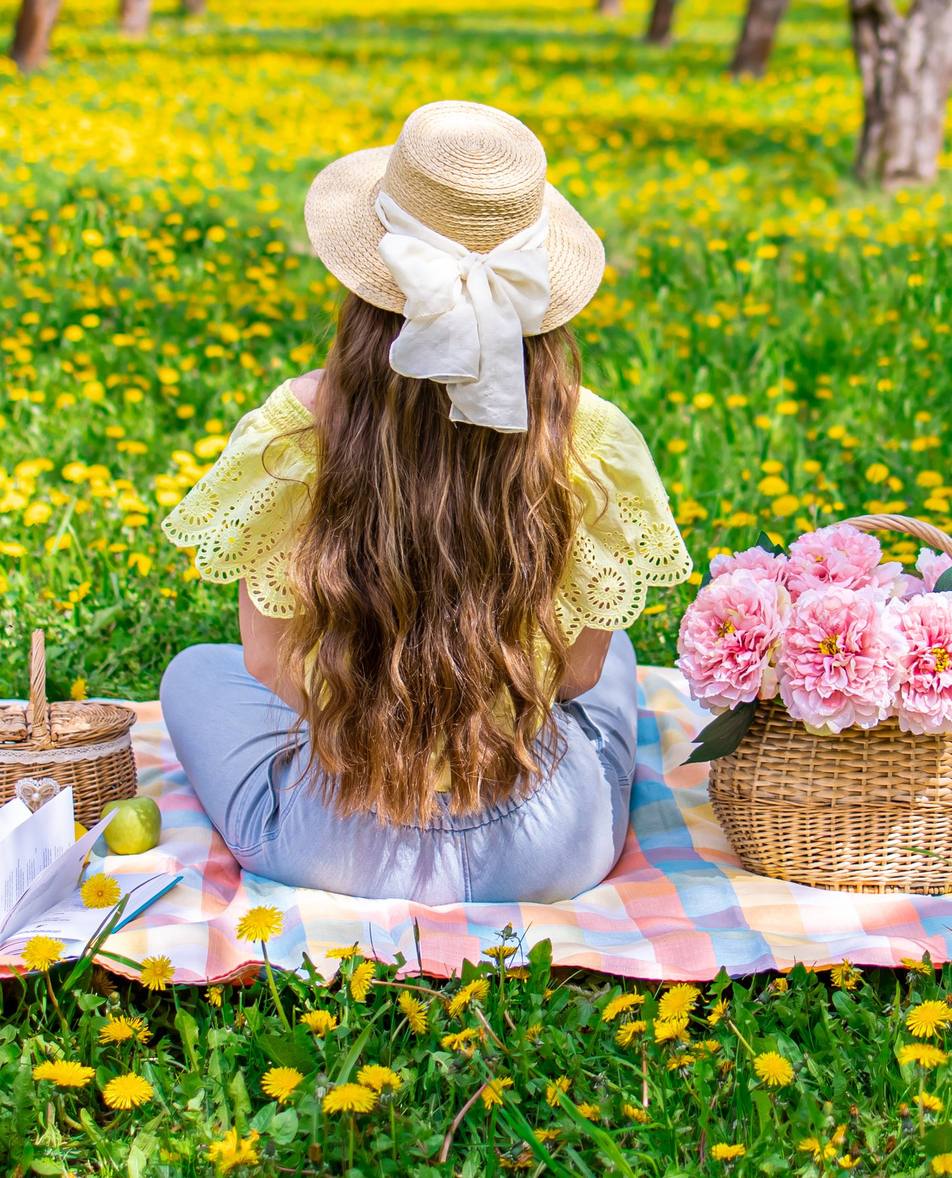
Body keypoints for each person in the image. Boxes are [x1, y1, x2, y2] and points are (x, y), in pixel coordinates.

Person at [159, 101, 690, 903]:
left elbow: (268, 661)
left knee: (195, 672)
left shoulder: (297, 430)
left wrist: (382, 737)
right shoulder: (597, 440)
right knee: (615, 670)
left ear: (370, 281)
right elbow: (575, 676)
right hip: (549, 846)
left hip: (339, 835)